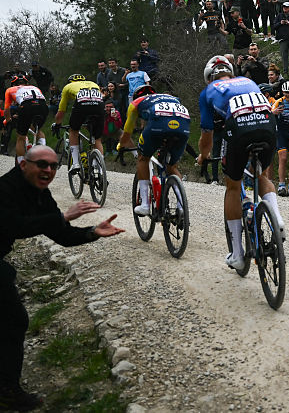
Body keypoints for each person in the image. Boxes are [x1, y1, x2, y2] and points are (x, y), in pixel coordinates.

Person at [0, 146, 124, 410]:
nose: (48, 171)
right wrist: (63, 216)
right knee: (14, 320)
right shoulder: (5, 189)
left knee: (11, 320)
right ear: (24, 164)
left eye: (53, 166)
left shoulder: (40, 195)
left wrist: (92, 231)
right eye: (41, 164)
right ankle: (7, 390)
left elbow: (62, 234)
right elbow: (14, 226)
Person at [196, 55, 285, 269]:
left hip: (239, 126)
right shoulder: (249, 82)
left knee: (233, 186)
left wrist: (203, 155)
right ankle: (277, 219)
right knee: (261, 174)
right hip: (267, 122)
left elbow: (207, 134)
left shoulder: (208, 91)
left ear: (210, 78)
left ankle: (237, 254)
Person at [117, 85, 191, 216]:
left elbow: (127, 133)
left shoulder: (135, 103)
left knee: (143, 158)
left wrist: (121, 145)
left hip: (158, 125)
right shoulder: (171, 98)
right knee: (171, 166)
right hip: (183, 124)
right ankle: (181, 206)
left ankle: (145, 204)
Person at [53, 74, 105, 177]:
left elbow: (61, 111)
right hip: (99, 105)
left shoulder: (67, 87)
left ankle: (76, 163)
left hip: (82, 104)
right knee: (97, 138)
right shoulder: (93, 84)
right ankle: (100, 170)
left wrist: (57, 124)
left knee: (73, 131)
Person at [6, 77, 49, 163]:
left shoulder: (10, 89)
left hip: (27, 106)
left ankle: (21, 164)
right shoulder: (35, 87)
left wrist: (7, 120)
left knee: (21, 137)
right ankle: (42, 150)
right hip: (43, 106)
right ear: (26, 83)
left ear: (13, 84)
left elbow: (7, 109)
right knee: (37, 130)